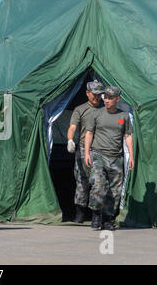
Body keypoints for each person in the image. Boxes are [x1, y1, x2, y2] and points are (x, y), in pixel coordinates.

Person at [84, 86, 134, 230]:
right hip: (99, 155)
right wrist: (87, 153)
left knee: (115, 191)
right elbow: (89, 133)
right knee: (98, 186)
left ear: (117, 99)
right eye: (105, 97)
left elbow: (128, 136)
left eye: (110, 98)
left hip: (116, 158)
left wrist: (131, 156)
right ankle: (95, 214)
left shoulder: (123, 116)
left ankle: (107, 219)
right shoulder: (96, 114)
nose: (106, 100)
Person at [66, 80, 104, 223]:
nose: (97, 97)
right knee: (82, 181)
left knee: (99, 181)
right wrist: (70, 140)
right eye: (94, 94)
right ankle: (80, 213)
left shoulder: (106, 109)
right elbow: (72, 127)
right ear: (87, 93)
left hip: (100, 150)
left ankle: (96, 213)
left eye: (99, 94)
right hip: (83, 149)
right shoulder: (80, 109)